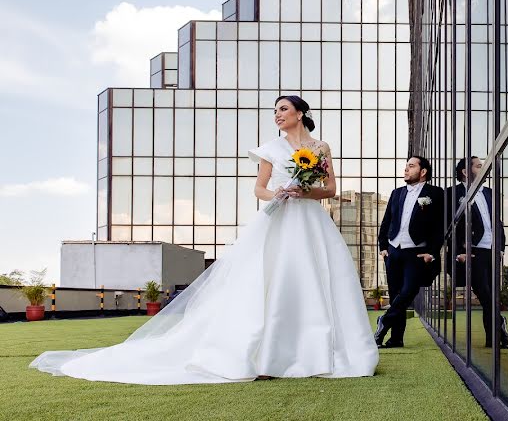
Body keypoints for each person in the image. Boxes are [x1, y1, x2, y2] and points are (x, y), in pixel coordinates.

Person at [31, 95, 378, 384]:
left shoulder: (320, 147)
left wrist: (303, 191)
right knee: (274, 280)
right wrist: (278, 193)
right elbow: (259, 189)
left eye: (283, 109)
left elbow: (330, 189)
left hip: (311, 222)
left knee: (314, 281)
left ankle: (318, 353)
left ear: (300, 113)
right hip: (280, 219)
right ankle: (267, 356)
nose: (278, 115)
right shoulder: (270, 149)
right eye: (275, 111)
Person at [375, 156, 444, 348]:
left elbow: (440, 226)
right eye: (406, 166)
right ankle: (396, 339)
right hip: (393, 251)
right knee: (397, 294)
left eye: (411, 166)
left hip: (417, 253)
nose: (406, 170)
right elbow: (387, 220)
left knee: (407, 292)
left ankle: (384, 321)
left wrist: (432, 252)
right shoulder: (397, 193)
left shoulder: (435, 193)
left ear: (423, 172)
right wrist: (383, 246)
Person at [446, 156, 508, 348]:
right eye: (479, 166)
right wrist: (458, 251)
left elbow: (497, 221)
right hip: (472, 251)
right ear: (466, 172)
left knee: (490, 295)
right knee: (484, 293)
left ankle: (494, 339)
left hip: (492, 250)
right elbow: (450, 226)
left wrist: (501, 247)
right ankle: (499, 326)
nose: (483, 169)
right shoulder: (452, 193)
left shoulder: (490, 193)